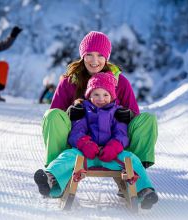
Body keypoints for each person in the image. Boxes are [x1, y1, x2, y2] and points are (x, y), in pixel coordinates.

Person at [34, 72, 158, 209]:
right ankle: (51, 179)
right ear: (89, 95)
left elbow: (122, 134)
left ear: (112, 96)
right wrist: (84, 143)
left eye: (105, 95)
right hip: (86, 154)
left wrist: (115, 146)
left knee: (131, 159)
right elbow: (77, 131)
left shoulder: (117, 112)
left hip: (112, 155)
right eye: (96, 94)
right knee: (67, 156)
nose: (101, 99)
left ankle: (145, 190)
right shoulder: (83, 110)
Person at [41, 31, 158, 169]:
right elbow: (55, 116)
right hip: (77, 144)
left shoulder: (120, 82)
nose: (94, 61)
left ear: (107, 57)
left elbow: (137, 120)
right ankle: (55, 170)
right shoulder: (69, 82)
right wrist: (69, 112)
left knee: (148, 119)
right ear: (82, 56)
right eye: (89, 54)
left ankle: (136, 170)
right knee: (51, 116)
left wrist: (129, 115)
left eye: (100, 55)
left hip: (115, 145)